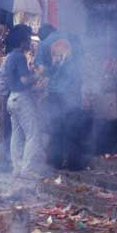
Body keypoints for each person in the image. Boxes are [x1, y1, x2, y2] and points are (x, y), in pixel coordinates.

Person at [36, 24, 85, 171]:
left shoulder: (44, 44)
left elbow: (41, 70)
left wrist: (48, 74)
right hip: (74, 92)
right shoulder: (73, 40)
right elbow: (82, 64)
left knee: (57, 127)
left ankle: (55, 162)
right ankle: (75, 164)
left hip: (56, 92)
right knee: (74, 127)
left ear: (43, 35)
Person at [4, 24, 44, 179]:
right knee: (33, 134)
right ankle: (27, 170)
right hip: (21, 99)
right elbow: (25, 79)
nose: (29, 42)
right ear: (22, 41)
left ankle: (17, 168)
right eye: (28, 39)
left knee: (17, 135)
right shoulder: (20, 56)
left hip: (12, 98)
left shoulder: (9, 56)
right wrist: (39, 75)